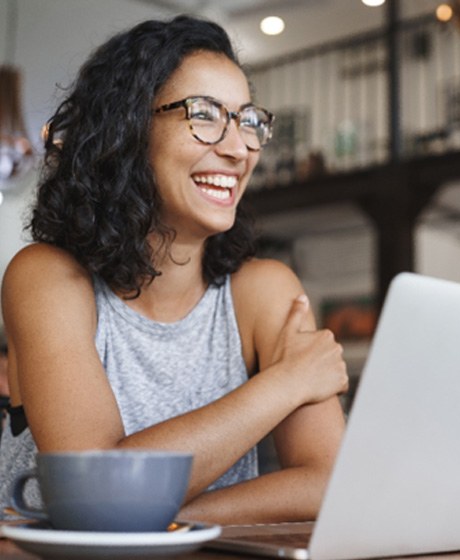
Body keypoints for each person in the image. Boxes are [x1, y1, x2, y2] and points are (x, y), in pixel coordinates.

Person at [0, 15, 348, 524]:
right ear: (129, 129)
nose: (237, 149)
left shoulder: (265, 292)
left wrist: (167, 521)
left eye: (248, 120)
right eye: (204, 114)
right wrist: (286, 383)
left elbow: (328, 482)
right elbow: (96, 485)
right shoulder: (48, 277)